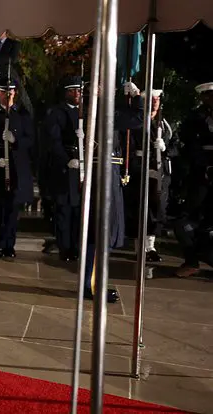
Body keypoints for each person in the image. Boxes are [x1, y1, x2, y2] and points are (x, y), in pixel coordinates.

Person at [83, 82, 144, 303]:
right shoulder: (102, 110)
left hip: (109, 171)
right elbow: (138, 118)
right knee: (102, 232)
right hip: (104, 173)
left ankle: (94, 283)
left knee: (104, 232)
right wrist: (137, 98)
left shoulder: (101, 109)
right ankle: (92, 286)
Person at [0, 78, 34, 258]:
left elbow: (31, 140)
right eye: (4, 91)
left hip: (17, 168)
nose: (8, 94)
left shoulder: (23, 114)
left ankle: (10, 244)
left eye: (11, 91)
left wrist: (15, 140)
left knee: (13, 209)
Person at [122, 84, 176, 262]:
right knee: (139, 208)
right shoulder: (137, 121)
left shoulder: (165, 124)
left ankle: (150, 246)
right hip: (140, 168)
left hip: (160, 171)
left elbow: (176, 147)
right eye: (151, 100)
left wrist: (165, 148)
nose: (155, 103)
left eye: (157, 99)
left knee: (157, 208)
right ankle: (139, 246)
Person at [174, 81, 213, 278]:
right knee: (185, 221)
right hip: (201, 175)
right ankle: (191, 261)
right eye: (208, 96)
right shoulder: (196, 118)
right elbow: (190, 146)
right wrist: (205, 165)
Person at [45, 76, 84, 262]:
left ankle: (77, 246)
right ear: (66, 92)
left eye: (79, 91)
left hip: (82, 166)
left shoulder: (85, 112)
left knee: (79, 211)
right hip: (65, 167)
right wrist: (66, 159)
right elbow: (54, 140)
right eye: (73, 90)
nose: (77, 94)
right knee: (65, 210)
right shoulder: (57, 113)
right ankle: (65, 247)